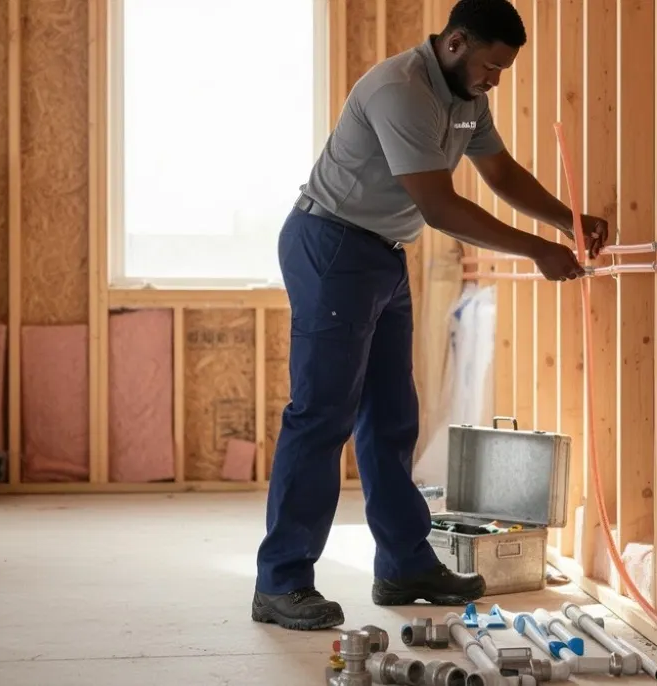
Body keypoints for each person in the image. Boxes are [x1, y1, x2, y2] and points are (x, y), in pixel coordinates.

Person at [252, 0, 612, 632]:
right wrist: (538, 251)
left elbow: (498, 171)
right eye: (490, 66)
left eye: (502, 71)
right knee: (322, 413)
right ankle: (281, 582)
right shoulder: (400, 89)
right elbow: (441, 207)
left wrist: (568, 222)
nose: (494, 79)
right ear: (456, 42)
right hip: (331, 244)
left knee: (392, 416)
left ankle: (404, 565)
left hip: (383, 252)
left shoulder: (465, 97)